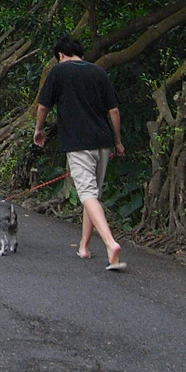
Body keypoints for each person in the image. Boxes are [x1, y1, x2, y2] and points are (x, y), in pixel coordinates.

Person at [34, 36, 128, 271]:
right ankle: (84, 247)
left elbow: (43, 106)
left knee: (86, 193)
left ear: (60, 55)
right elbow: (114, 111)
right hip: (103, 141)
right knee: (92, 194)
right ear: (80, 54)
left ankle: (110, 243)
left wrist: (39, 130)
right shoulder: (98, 72)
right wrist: (117, 141)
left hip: (78, 142)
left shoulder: (58, 71)